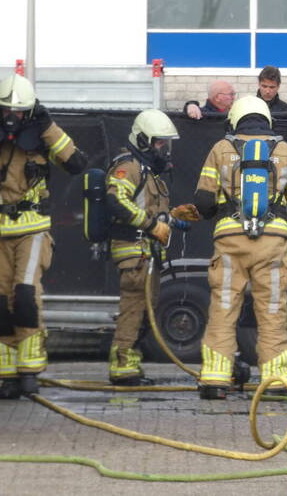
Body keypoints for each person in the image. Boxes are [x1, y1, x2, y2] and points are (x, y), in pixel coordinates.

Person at [0, 74, 87, 399]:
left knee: (25, 296)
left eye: (18, 112)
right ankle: (7, 375)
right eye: (6, 110)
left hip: (31, 228)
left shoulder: (43, 136)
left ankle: (30, 371)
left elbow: (76, 162)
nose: (12, 117)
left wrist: (48, 126)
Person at [193, 95, 287, 399]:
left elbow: (203, 200)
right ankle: (275, 380)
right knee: (272, 310)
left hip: (230, 240)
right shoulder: (285, 150)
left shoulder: (221, 148)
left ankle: (215, 379)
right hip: (272, 241)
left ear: (235, 119)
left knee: (224, 306)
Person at [104, 109, 200, 386]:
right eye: (159, 143)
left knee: (145, 311)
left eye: (165, 143)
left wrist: (173, 219)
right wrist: (151, 225)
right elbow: (116, 202)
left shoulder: (149, 172)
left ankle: (130, 365)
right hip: (133, 250)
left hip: (147, 252)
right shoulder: (129, 167)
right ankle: (122, 367)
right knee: (134, 308)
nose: (163, 149)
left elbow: (150, 211)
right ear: (143, 140)